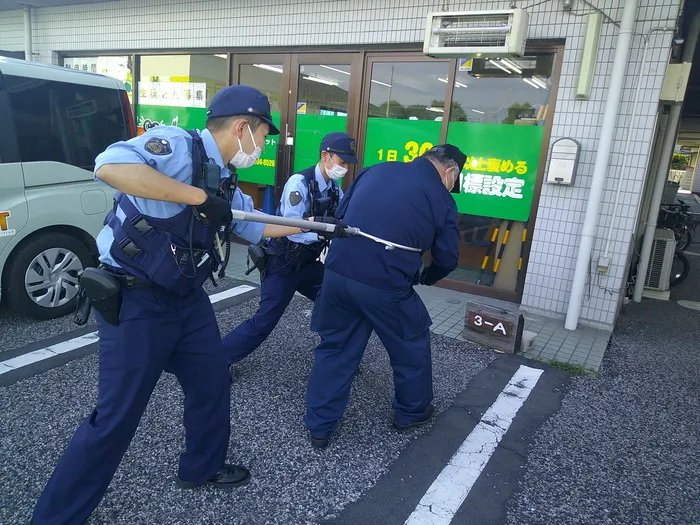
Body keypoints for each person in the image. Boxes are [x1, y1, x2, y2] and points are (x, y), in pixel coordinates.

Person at [31, 85, 344, 525]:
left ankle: (201, 467)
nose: (262, 145)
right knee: (115, 418)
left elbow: (251, 228)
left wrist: (314, 226)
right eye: (262, 135)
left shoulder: (225, 178)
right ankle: (54, 518)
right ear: (242, 128)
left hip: (186, 299)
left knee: (212, 378)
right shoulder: (179, 145)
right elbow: (109, 166)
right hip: (136, 299)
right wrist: (200, 199)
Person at [303, 144, 465, 449]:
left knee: (336, 347)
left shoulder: (376, 170)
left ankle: (319, 426)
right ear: (450, 172)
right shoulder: (441, 197)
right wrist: (428, 276)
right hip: (385, 283)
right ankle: (411, 412)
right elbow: (448, 257)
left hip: (338, 274)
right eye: (455, 180)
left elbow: (341, 215)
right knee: (411, 343)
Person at [221, 132, 357, 370]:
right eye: (342, 162)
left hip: (307, 263)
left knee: (336, 304)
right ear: (325, 156)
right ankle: (218, 361)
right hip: (283, 262)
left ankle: (336, 357)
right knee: (264, 321)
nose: (344, 168)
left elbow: (344, 219)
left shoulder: (334, 190)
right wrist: (324, 232)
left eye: (347, 164)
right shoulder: (300, 182)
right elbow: (290, 229)